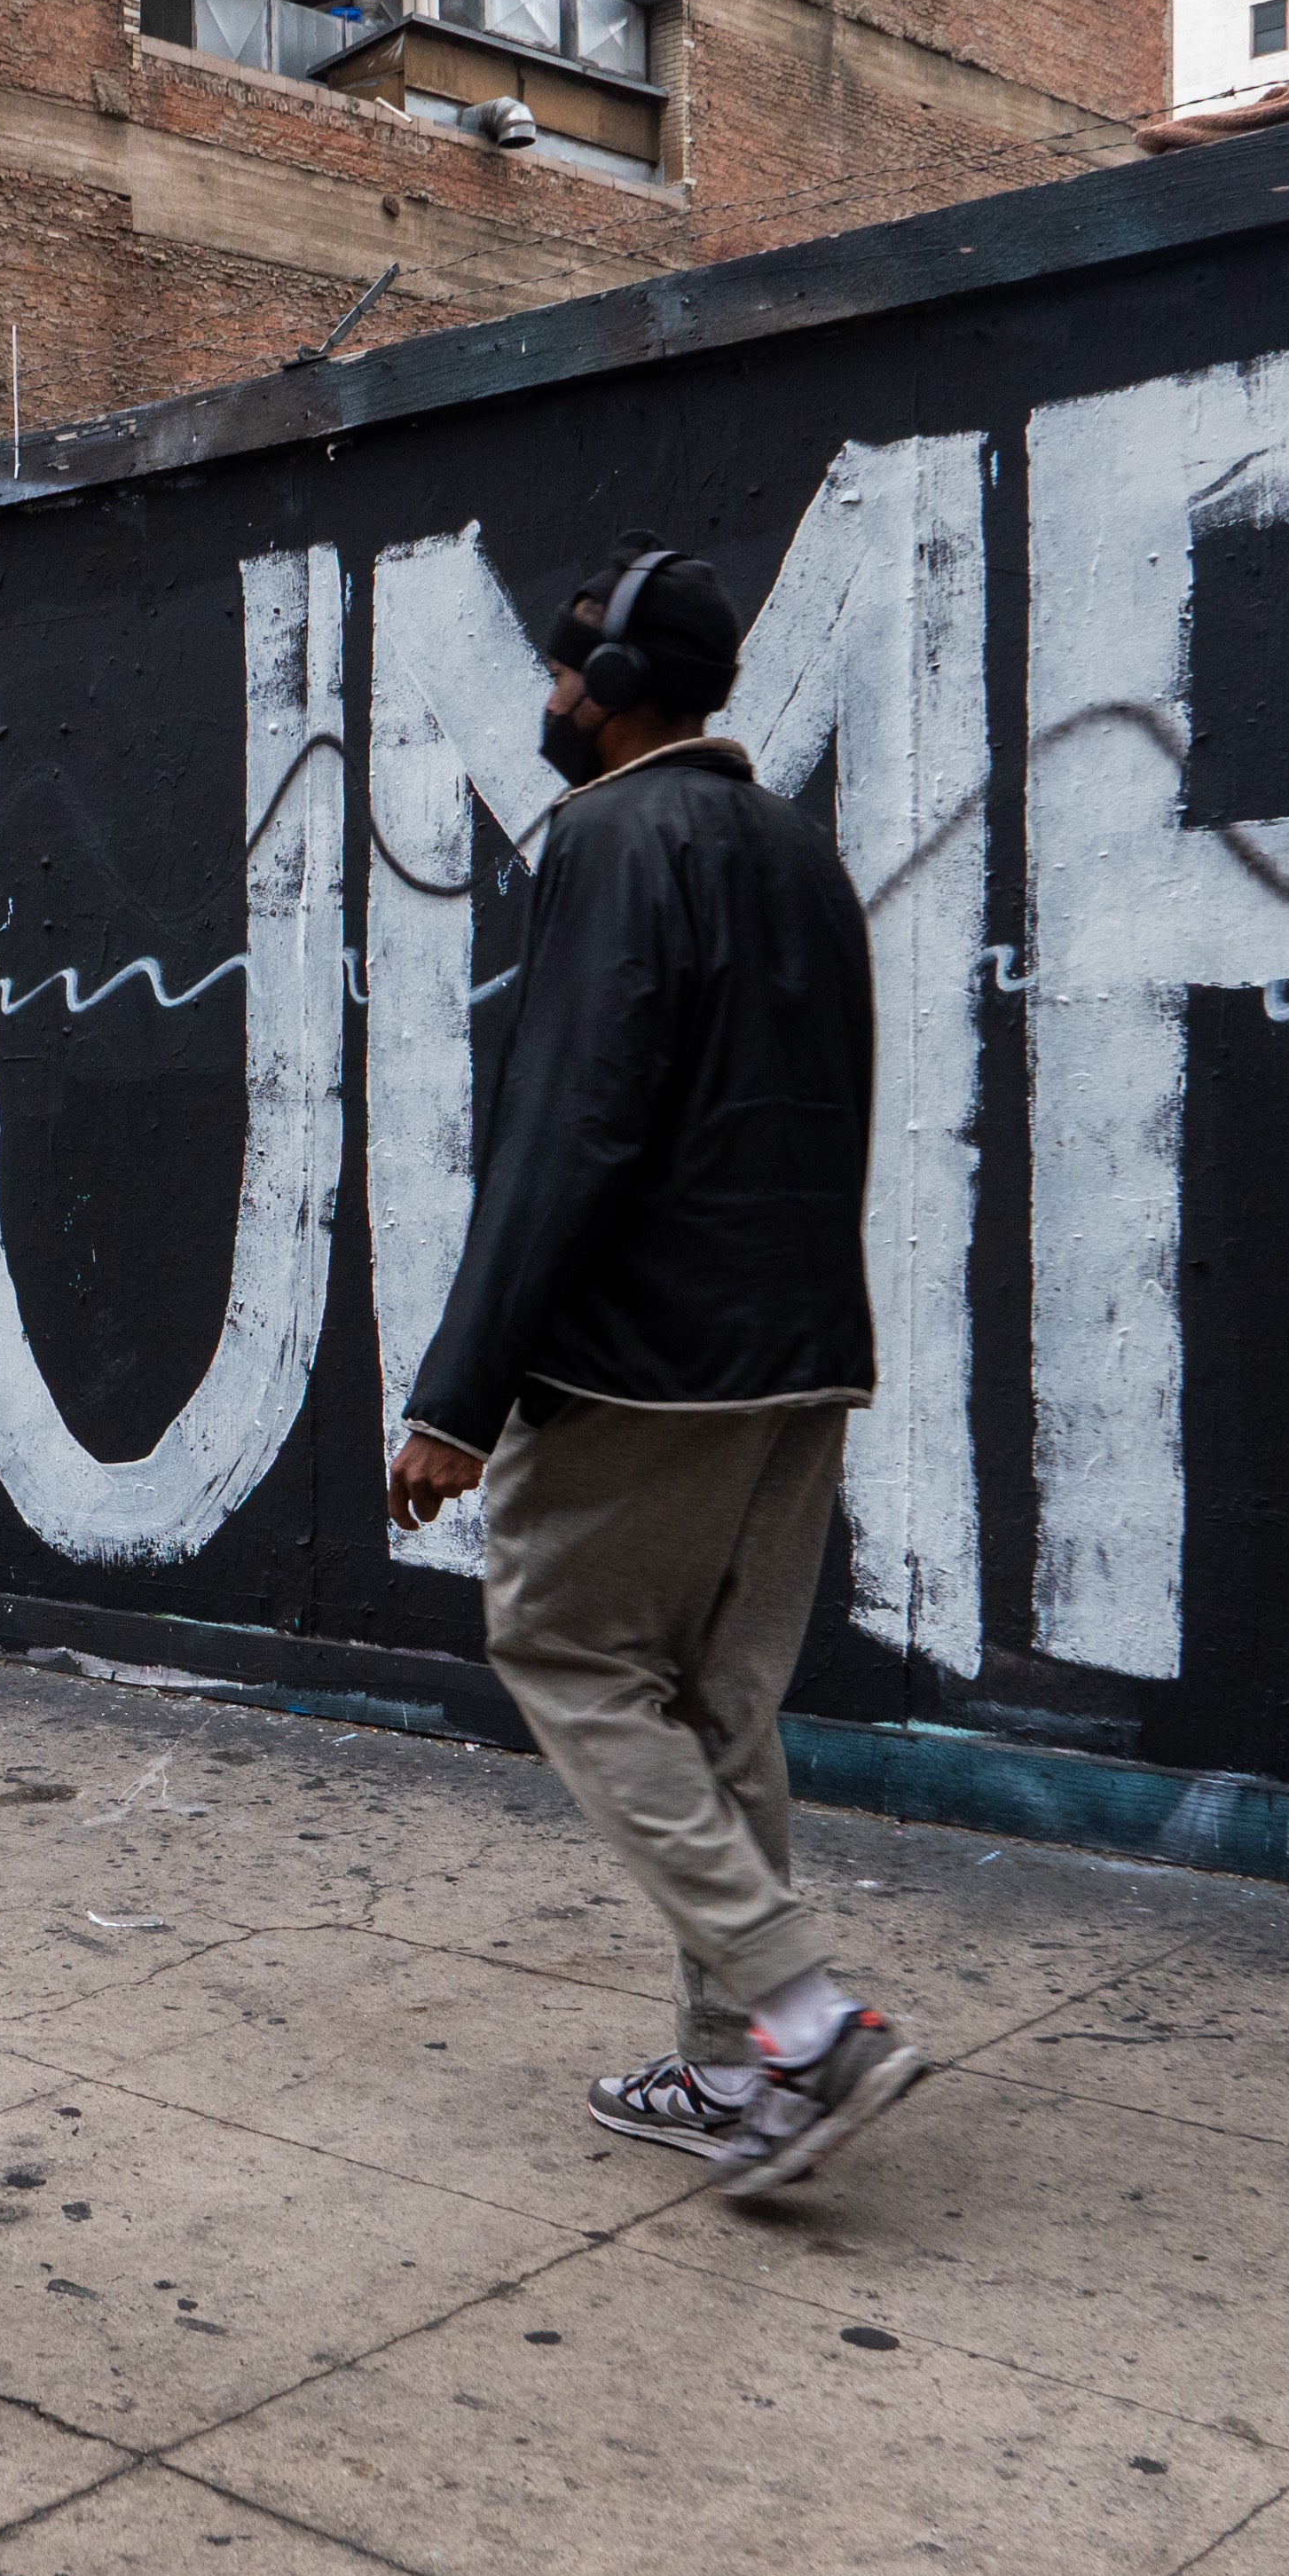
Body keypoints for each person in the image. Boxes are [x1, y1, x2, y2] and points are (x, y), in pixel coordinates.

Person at [385, 536, 928, 2199]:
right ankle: (740, 2072)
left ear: (617, 691)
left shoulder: (613, 840)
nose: (547, 696)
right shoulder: (798, 854)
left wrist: (458, 1397)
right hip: (802, 1358)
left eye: (564, 671)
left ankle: (804, 2013)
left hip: (649, 1366)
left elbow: (568, 1133)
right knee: (720, 1701)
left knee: (558, 1647)